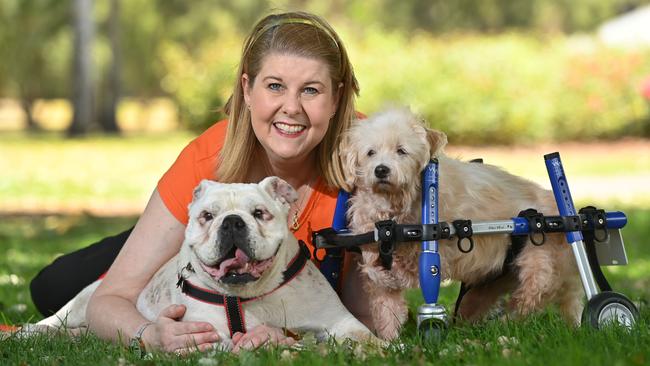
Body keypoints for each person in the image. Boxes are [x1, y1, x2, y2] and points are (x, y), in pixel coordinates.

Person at [29, 11, 372, 354]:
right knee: (54, 288)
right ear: (247, 89)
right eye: (275, 86)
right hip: (185, 245)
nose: (292, 107)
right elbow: (110, 301)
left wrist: (293, 337)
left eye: (311, 90)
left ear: (336, 99)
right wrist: (150, 335)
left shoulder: (374, 155)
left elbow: (368, 320)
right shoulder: (208, 157)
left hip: (275, 284)